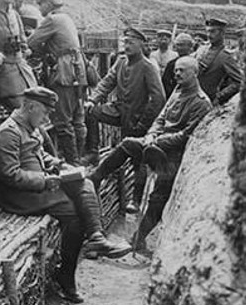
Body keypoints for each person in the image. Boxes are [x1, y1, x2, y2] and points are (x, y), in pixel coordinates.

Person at [0, 87, 131, 304]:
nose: (47, 118)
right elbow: (9, 175)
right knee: (75, 214)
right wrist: (44, 181)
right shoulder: (8, 133)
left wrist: (59, 165)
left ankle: (95, 239)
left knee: (81, 183)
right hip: (20, 196)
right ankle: (71, 270)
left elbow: (40, 155)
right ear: (30, 107)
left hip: (39, 187)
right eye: (45, 112)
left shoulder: (29, 126)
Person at [88, 56, 211, 254]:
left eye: (182, 71)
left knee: (157, 198)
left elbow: (186, 136)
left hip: (174, 157)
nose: (177, 74)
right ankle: (96, 176)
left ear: (195, 74)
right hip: (154, 143)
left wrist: (158, 141)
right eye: (176, 70)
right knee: (128, 144)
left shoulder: (202, 103)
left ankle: (139, 238)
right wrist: (151, 135)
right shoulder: (177, 92)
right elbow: (160, 118)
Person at [83, 27, 166, 212]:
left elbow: (159, 99)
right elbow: (106, 82)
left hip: (138, 118)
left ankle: (135, 200)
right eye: (125, 42)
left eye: (131, 43)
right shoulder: (121, 62)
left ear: (141, 45)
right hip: (120, 111)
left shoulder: (148, 67)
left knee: (139, 160)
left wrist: (144, 123)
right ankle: (93, 151)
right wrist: (92, 100)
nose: (126, 46)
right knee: (91, 112)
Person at [26, 0, 87, 164]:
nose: (39, 7)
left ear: (49, 4)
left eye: (41, 3)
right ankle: (80, 159)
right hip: (77, 70)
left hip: (65, 71)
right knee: (77, 118)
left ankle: (72, 163)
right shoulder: (66, 18)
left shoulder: (51, 19)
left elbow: (32, 42)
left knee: (63, 121)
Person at [195, 18, 242, 105]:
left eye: (213, 32)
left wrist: (219, 96)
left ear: (222, 33)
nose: (209, 35)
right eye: (207, 31)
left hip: (207, 102)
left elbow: (239, 82)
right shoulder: (202, 49)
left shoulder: (226, 56)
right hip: (192, 98)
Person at [162, 32, 194, 99]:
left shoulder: (195, 63)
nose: (179, 48)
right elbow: (165, 82)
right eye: (178, 45)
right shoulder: (171, 64)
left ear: (190, 46)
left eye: (182, 45)